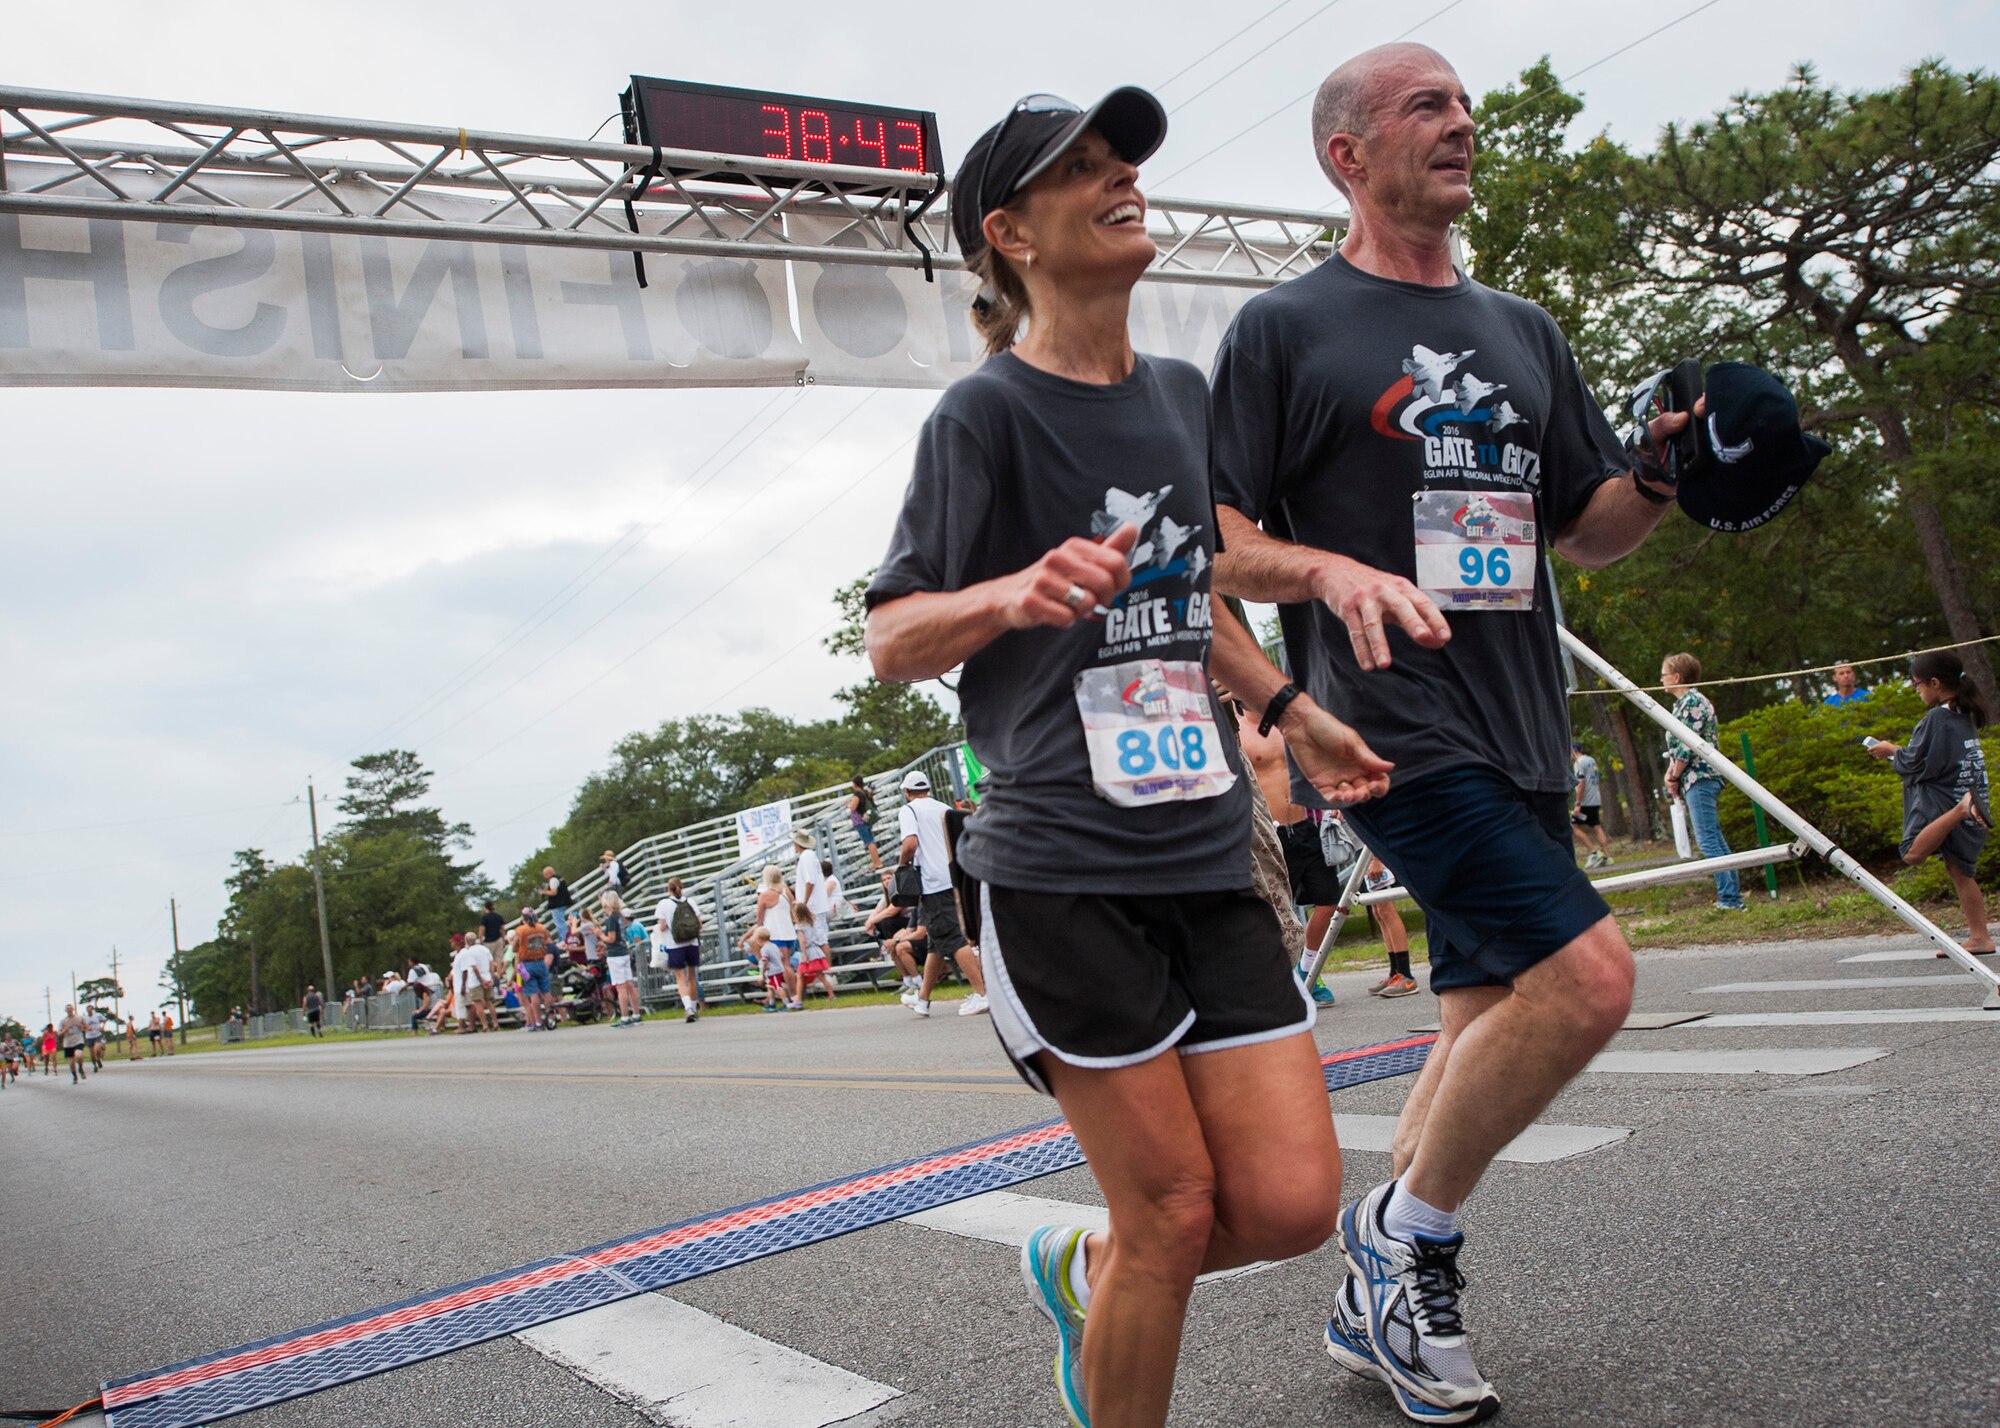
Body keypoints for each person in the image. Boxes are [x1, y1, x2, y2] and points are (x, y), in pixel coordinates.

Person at [866, 86, 1393, 1428]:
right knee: (1171, 1211)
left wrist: (1288, 710)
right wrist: (1007, 595)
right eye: (1083, 171)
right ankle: (1124, 1283)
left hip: (1208, 851)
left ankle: (1087, 1274)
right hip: (1062, 874)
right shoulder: (980, 421)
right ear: (1013, 233)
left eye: (1123, 162)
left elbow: (1194, 591)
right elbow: (893, 636)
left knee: (1282, 1203)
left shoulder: (1175, 394)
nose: (1123, 181)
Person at [1205, 43, 1716, 1420]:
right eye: (1427, 105)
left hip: (1519, 724)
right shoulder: (1285, 329)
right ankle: (1406, 1240)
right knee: (1590, 979)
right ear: (1348, 157)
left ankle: (1379, 1280)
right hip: (1385, 723)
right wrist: (1322, 583)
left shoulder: (1524, 330)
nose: (1464, 123)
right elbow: (1217, 548)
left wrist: (1666, 472)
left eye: (1464, 105)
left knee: (1488, 1007)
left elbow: (1587, 533)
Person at [1867, 650, 1993, 955]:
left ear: (1934, 683)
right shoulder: (1963, 714)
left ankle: (1962, 808)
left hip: (1949, 801)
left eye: (1917, 685)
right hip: (1973, 794)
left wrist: (1889, 750)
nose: (1916, 691)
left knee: (1912, 853)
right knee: (1960, 871)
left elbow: (1915, 763)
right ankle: (1980, 937)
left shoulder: (1937, 717)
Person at [892, 773, 990, 1019]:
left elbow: (910, 844)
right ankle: (923, 999)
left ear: (907, 791)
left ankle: (982, 993)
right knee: (936, 942)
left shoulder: (909, 810)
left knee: (952, 937)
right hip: (953, 877)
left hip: (932, 881)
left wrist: (902, 866)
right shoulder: (944, 808)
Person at [1662, 652, 1746, 911]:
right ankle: (1732, 895)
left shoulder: (1693, 702)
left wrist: (1675, 775)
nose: (1661, 679)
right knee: (1714, 837)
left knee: (1708, 839)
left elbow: (1688, 746)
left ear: (1677, 677)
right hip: (1692, 777)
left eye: (1664, 674)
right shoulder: (1680, 705)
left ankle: (1729, 899)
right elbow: (1676, 746)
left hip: (1701, 777)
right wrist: (1670, 772)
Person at [792, 830, 834, 1006]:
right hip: (814, 905)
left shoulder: (807, 857)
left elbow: (810, 881)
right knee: (819, 938)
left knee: (820, 939)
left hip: (813, 906)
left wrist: (804, 902)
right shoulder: (809, 856)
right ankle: (826, 974)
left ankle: (828, 973)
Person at [653, 877, 704, 1023]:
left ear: (668, 888)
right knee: (692, 977)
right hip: (692, 942)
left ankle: (688, 1008)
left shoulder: (664, 903)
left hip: (675, 944)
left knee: (680, 978)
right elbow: (699, 924)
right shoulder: (690, 902)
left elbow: (662, 926)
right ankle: (694, 1008)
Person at [1571, 741, 1614, 869]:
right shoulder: (1591, 760)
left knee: (1573, 827)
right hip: (1595, 798)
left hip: (1585, 800)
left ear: (1573, 750)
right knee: (1596, 826)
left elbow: (1581, 783)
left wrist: (1578, 803)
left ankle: (1594, 852)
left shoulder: (1579, 763)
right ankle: (1608, 856)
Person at [512, 909, 555, 1031]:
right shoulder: (542, 928)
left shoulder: (521, 930)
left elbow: (515, 948)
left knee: (533, 993)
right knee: (546, 992)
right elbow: (548, 942)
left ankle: (538, 1022)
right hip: (541, 961)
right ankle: (551, 1018)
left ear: (524, 919)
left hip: (527, 963)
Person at [847, 774, 884, 873]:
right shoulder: (865, 792)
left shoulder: (857, 794)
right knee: (870, 841)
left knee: (869, 842)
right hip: (866, 820)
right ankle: (876, 862)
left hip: (860, 821)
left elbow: (853, 807)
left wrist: (848, 804)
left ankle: (877, 863)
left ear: (855, 784)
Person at [57, 1005, 88, 1083]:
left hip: (78, 1039)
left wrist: (80, 1026)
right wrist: (65, 1030)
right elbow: (59, 1033)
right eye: (68, 1009)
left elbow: (86, 1027)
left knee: (79, 1054)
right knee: (71, 1063)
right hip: (68, 1042)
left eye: (71, 1008)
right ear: (66, 1011)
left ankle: (80, 1068)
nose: (69, 1010)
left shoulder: (79, 1018)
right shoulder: (63, 1021)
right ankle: (75, 1076)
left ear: (73, 1009)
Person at [542, 865, 574, 941]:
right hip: (563, 902)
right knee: (561, 923)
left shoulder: (553, 880)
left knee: (560, 924)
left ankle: (565, 939)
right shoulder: (559, 878)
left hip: (557, 905)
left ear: (549, 873)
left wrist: (544, 892)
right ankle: (563, 939)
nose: (544, 876)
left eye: (545, 874)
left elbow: (554, 892)